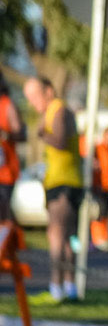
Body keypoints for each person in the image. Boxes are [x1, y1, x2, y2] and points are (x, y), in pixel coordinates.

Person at [24, 77, 82, 303]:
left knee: (57, 236)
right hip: (63, 181)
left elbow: (59, 141)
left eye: (36, 96)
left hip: (63, 183)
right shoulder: (57, 111)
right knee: (66, 238)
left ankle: (57, 287)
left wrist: (42, 133)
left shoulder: (58, 110)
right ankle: (69, 287)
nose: (33, 102)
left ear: (49, 91)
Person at [80, 126, 108, 251]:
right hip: (99, 184)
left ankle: (104, 238)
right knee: (97, 212)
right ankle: (97, 239)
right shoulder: (98, 148)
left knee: (105, 213)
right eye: (107, 135)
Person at [0, 71, 26, 223]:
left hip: (5, 174)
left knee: (3, 214)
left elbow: (21, 134)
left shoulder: (7, 104)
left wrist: (6, 134)